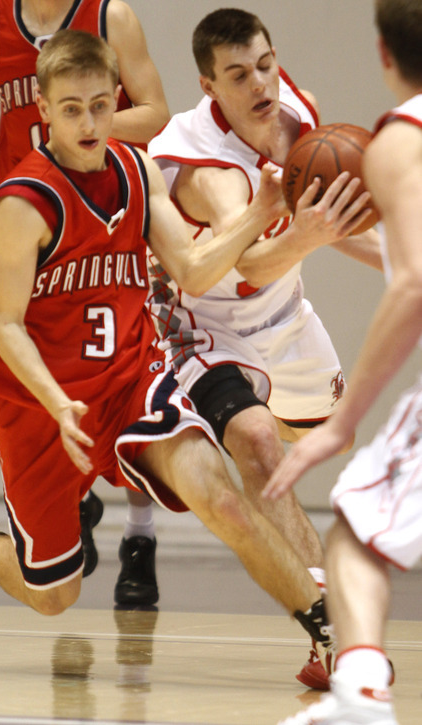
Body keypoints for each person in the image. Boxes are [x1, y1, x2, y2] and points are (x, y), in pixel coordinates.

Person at [0, 29, 336, 662]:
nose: (90, 122)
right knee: (54, 596)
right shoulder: (23, 203)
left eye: (101, 104)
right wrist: (56, 401)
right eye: (72, 108)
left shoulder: (134, 168)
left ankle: (330, 632)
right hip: (41, 409)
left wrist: (260, 212)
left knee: (221, 497)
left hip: (128, 382)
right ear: (42, 108)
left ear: (115, 99)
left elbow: (195, 270)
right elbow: (7, 326)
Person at [146, 7, 380, 689]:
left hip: (286, 320)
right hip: (203, 327)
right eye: (238, 74)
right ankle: (332, 627)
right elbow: (253, 263)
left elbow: (331, 224)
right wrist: (309, 233)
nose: (260, 84)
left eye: (266, 65)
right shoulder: (202, 161)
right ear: (208, 84)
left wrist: (402, 262)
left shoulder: (296, 112)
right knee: (257, 444)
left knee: (321, 436)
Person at [0, 0, 171, 607]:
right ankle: (42, 513)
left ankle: (139, 539)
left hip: (101, 206)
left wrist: (92, 128)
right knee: (20, 372)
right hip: (31, 226)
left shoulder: (112, 17)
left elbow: (159, 112)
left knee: (132, 359)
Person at [263, 0, 422, 722]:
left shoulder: (401, 142)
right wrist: (322, 237)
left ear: (384, 55)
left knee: (355, 531)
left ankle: (360, 697)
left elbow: (414, 281)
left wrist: (341, 420)